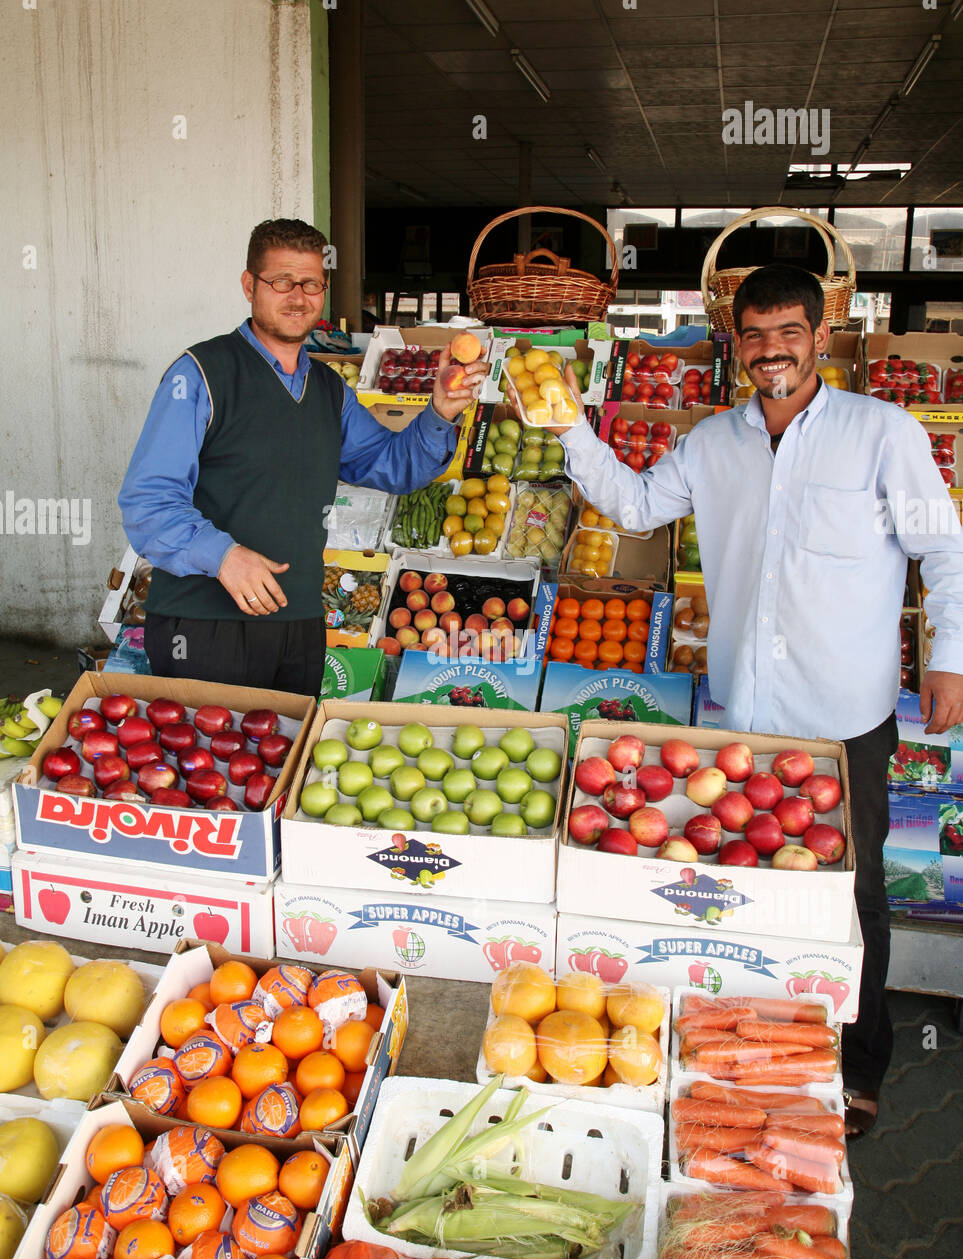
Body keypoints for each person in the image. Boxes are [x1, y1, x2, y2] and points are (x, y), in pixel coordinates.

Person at [550, 264, 963, 1137]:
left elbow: (943, 552)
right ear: (734, 343)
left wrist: (949, 658)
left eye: (788, 333)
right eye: (755, 335)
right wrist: (567, 430)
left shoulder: (879, 431)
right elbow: (632, 505)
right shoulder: (711, 442)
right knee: (748, 886)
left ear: (819, 338)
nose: (771, 351)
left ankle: (858, 1066)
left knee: (852, 896)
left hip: (844, 718)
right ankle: (755, 1052)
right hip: (746, 716)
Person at [119, 218, 485, 696]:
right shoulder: (201, 374)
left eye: (311, 283)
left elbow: (393, 465)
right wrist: (223, 555)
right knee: (208, 763)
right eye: (281, 281)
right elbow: (147, 504)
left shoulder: (330, 390)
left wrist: (440, 411)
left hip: (299, 623)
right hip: (203, 622)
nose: (298, 296)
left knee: (287, 764)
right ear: (250, 285)